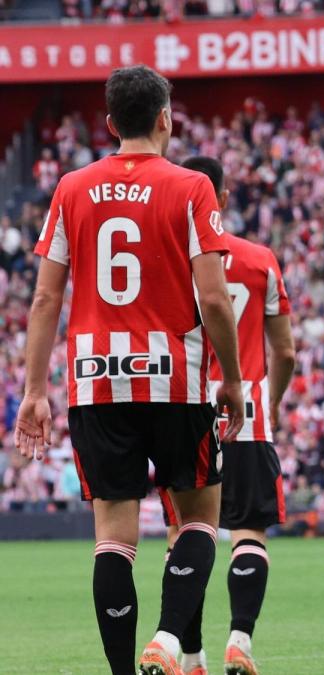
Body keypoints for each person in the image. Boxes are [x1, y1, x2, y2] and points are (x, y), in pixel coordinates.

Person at [13, 65, 245, 675]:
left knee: (113, 538)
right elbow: (216, 299)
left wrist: (34, 391)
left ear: (111, 123)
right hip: (174, 378)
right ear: (166, 118)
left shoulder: (71, 188)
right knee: (198, 519)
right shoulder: (192, 187)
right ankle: (169, 639)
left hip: (95, 381)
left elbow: (44, 300)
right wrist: (233, 378)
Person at [157, 155, 296, 675]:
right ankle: (240, 640)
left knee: (182, 536)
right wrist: (273, 402)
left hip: (187, 404)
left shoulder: (171, 261)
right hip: (249, 408)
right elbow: (285, 352)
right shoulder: (261, 259)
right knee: (249, 533)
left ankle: (190, 657)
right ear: (225, 198)